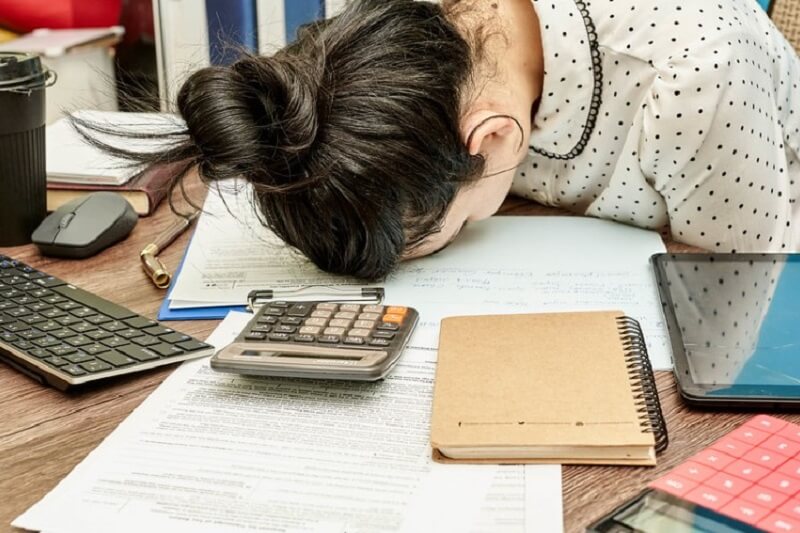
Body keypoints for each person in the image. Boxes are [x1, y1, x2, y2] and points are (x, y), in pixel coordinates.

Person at [90, 0, 800, 280]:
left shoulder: (697, 77)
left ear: (491, 140)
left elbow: (743, 292)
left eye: (440, 238)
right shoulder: (415, 46)